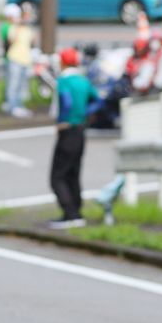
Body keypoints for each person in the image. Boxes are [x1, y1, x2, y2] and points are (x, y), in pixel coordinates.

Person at [49, 48, 97, 229]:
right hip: (81, 129)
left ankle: (69, 213)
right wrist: (84, 113)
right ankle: (77, 212)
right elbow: (97, 100)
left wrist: (64, 120)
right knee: (74, 173)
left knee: (58, 176)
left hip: (68, 129)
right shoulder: (83, 80)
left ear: (62, 62)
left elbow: (66, 102)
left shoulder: (64, 81)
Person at [3, 2, 35, 117]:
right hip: (15, 58)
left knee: (22, 85)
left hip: (25, 60)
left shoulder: (29, 28)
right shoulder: (14, 26)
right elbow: (11, 40)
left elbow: (31, 42)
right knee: (13, 84)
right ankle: (13, 106)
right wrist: (19, 25)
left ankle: (19, 105)